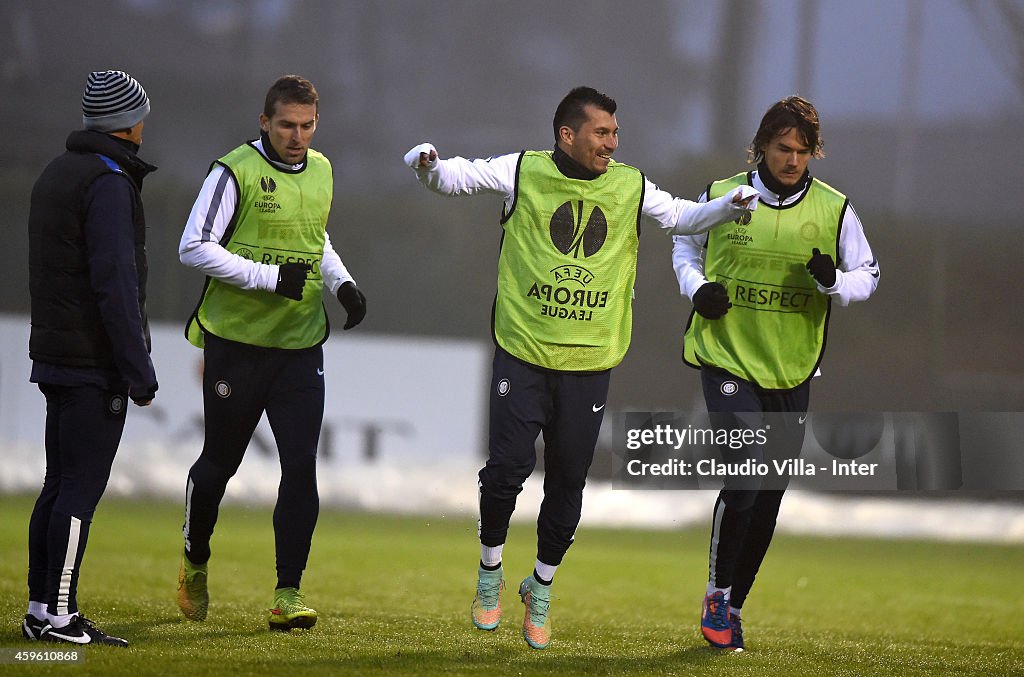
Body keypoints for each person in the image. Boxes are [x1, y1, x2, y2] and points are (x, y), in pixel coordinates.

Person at [405, 86, 757, 650]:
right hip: (522, 350)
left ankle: (540, 586)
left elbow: (685, 218)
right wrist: (425, 163)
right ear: (566, 135)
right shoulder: (523, 171)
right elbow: (455, 177)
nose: (612, 143)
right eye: (601, 132)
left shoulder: (630, 184)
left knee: (568, 482)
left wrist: (728, 206)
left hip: (591, 361)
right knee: (506, 471)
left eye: (615, 133)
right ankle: (490, 572)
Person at [672, 96, 879, 651]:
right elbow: (685, 245)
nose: (792, 160)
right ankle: (715, 597)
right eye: (783, 148)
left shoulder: (835, 209)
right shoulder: (722, 195)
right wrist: (698, 289)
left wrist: (833, 280)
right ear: (761, 145)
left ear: (814, 153)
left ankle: (733, 608)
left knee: (768, 493)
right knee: (743, 476)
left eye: (803, 151)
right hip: (727, 358)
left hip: (790, 370)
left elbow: (869, 275)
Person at [175, 75, 366, 631]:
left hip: (299, 344)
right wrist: (265, 277)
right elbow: (193, 246)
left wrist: (343, 284)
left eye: (307, 126)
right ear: (265, 122)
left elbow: (315, 239)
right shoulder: (232, 171)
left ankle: (287, 594)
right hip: (236, 344)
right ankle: (194, 560)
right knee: (219, 466)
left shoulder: (324, 170)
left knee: (301, 468)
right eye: (286, 124)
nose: (297, 136)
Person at [24, 70, 159, 647]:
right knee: (80, 489)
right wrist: (138, 369)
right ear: (129, 122)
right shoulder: (108, 182)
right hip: (91, 362)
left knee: (57, 485)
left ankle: (38, 608)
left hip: (56, 353)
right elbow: (114, 283)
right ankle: (59, 616)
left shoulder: (57, 172)